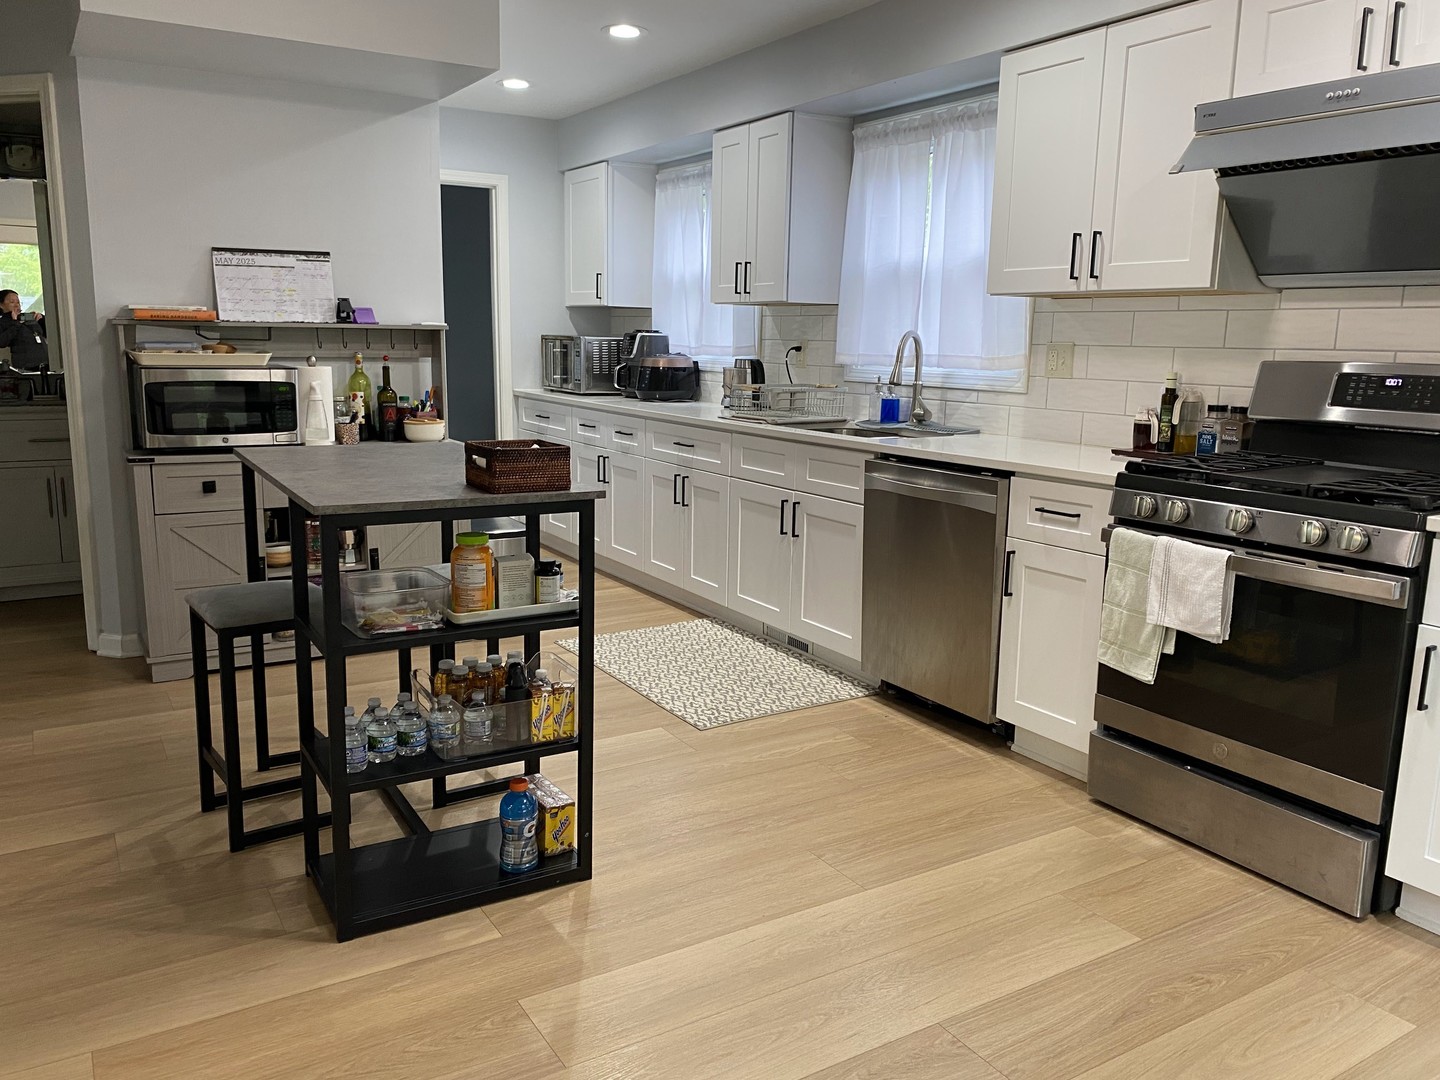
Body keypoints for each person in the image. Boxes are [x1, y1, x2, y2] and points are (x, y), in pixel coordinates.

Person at [0, 289, 47, 370]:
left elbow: (47, 332)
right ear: (1, 305)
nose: (16, 305)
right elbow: (2, 342)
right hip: (26, 365)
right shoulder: (3, 322)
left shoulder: (26, 317)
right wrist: (15, 323)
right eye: (12, 302)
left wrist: (41, 318)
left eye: (18, 302)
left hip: (45, 361)